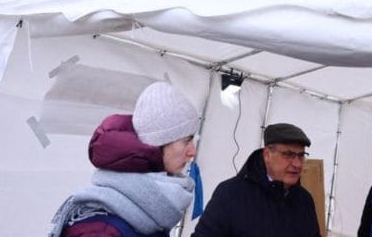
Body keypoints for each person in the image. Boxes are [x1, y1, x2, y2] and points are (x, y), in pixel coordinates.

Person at [49, 81, 201, 237]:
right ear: (159, 143)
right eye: (186, 140)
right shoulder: (100, 231)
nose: (193, 151)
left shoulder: (143, 213)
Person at [192, 123, 321, 236]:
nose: (297, 164)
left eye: (301, 155)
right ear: (267, 154)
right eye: (288, 155)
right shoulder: (230, 194)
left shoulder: (305, 200)